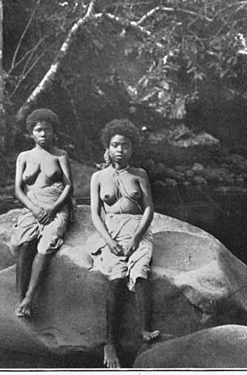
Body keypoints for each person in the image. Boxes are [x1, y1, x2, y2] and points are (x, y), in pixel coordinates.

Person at [90, 118, 159, 368]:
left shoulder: (139, 174)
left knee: (140, 271)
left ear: (132, 148)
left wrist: (137, 238)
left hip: (137, 228)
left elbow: (149, 209)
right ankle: (110, 343)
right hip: (111, 231)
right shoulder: (98, 176)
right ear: (107, 148)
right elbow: (96, 214)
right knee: (116, 277)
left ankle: (146, 328)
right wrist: (108, 240)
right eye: (115, 145)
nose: (120, 150)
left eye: (126, 145)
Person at [11, 108, 74, 318]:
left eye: (47, 129)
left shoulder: (60, 155)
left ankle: (30, 297)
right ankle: (20, 299)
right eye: (38, 130)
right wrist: (35, 209)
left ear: (54, 132)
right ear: (31, 133)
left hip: (55, 205)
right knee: (25, 243)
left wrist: (53, 209)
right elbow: (18, 189)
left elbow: (68, 186)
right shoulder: (24, 157)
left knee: (46, 244)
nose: (43, 133)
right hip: (33, 205)